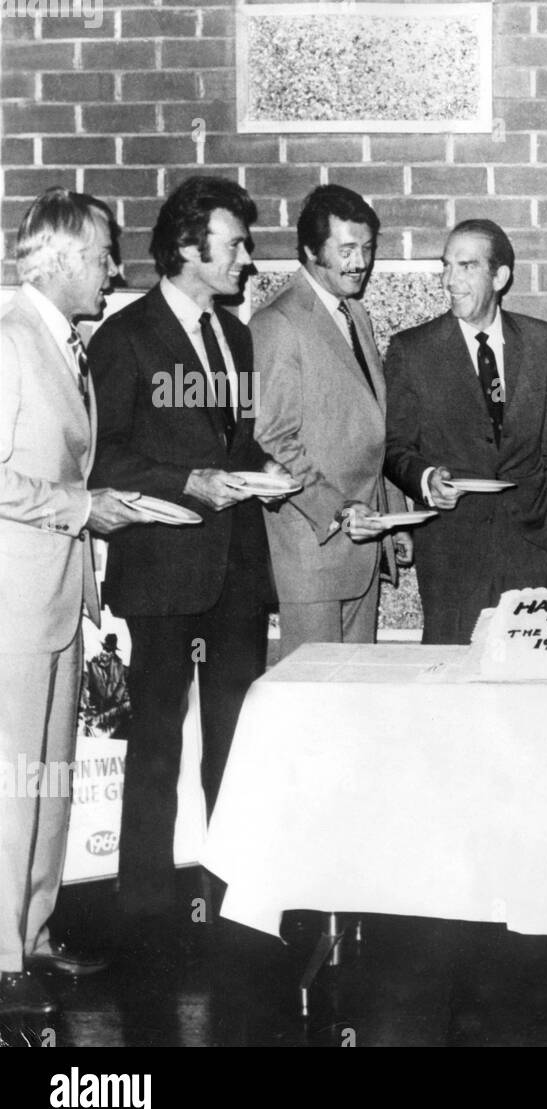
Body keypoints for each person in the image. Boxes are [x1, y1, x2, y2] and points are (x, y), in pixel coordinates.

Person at [88, 176, 283, 929]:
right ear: (187, 249)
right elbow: (103, 459)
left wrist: (267, 473)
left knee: (234, 742)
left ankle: (231, 898)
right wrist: (190, 480)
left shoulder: (235, 335)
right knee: (156, 747)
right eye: (235, 244)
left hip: (234, 570)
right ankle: (142, 908)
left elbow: (234, 439)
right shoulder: (125, 337)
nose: (246, 257)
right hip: (162, 573)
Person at [1, 188, 139, 1016]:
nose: (112, 271)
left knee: (50, 780)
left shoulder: (64, 344)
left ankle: (36, 933)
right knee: (13, 783)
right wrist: (81, 509)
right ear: (52, 260)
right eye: (99, 256)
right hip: (14, 601)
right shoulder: (12, 343)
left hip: (55, 599)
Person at [384, 220, 547, 643]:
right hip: (452, 552)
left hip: (531, 546)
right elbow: (395, 448)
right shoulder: (412, 351)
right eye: (446, 266)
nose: (450, 280)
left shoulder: (542, 341)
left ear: (500, 276)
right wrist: (427, 480)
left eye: (466, 266)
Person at [252, 185, 400, 657]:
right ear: (311, 250)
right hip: (313, 549)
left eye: (368, 249)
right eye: (347, 250)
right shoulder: (278, 322)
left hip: (363, 542)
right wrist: (338, 511)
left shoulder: (355, 313)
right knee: (314, 701)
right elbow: (273, 439)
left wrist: (392, 516)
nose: (361, 262)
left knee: (353, 697)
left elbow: (372, 427)